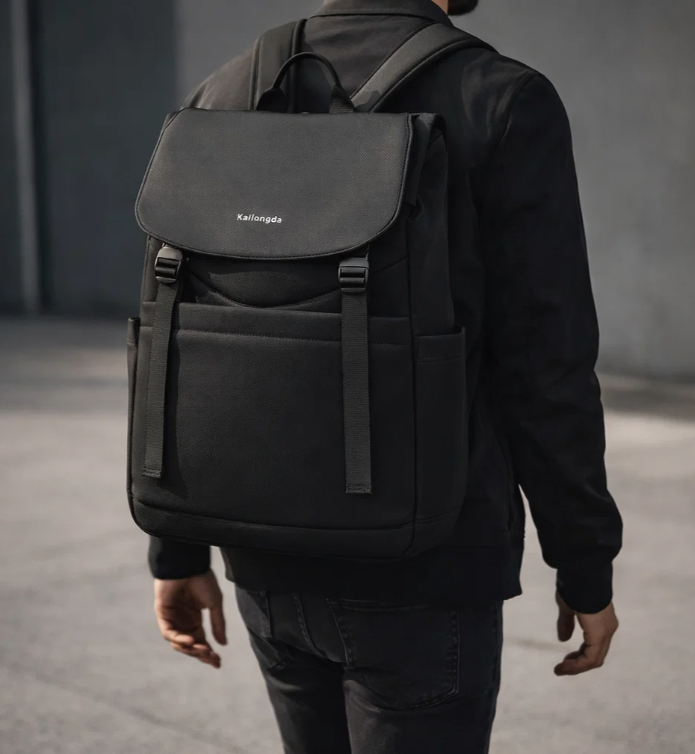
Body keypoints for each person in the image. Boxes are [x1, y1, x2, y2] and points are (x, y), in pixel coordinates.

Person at [149, 1, 623, 751]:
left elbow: (169, 331)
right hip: (427, 569)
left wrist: (176, 549)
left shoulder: (226, 91)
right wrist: (585, 562)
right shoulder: (499, 98)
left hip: (263, 556)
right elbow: (547, 363)